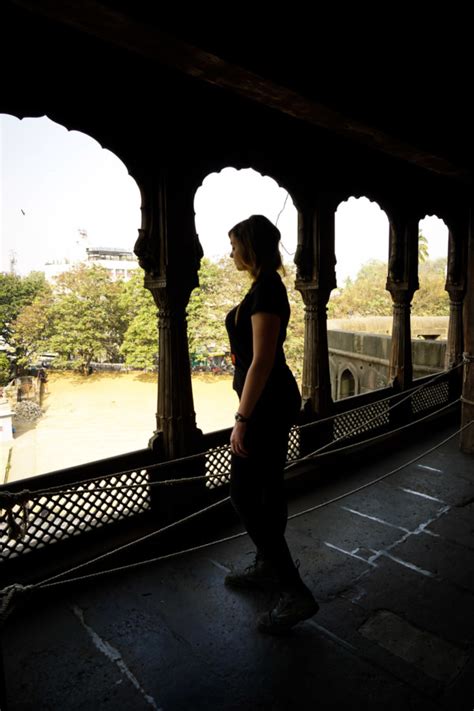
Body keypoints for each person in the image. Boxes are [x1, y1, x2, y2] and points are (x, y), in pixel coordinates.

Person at [224, 214, 319, 634]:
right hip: (268, 401)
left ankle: (293, 590)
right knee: (266, 491)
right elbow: (253, 355)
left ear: (250, 247)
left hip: (265, 405)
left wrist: (242, 419)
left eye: (234, 245)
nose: (230, 253)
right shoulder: (261, 289)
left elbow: (263, 361)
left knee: (245, 494)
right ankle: (268, 566)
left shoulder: (266, 291)